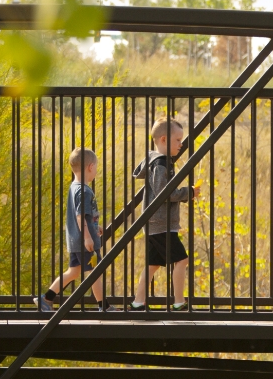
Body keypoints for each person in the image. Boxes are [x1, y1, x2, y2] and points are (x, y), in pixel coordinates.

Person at [130, 117, 201, 311]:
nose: (181, 144)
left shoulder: (156, 161)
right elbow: (165, 193)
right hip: (161, 223)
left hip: (154, 222)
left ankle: (138, 302)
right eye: (178, 140)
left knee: (153, 263)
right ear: (163, 139)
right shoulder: (161, 164)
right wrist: (189, 192)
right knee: (182, 260)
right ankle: (179, 302)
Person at [39, 146, 116, 312]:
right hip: (84, 242)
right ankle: (104, 306)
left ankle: (46, 299)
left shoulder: (74, 187)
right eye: (96, 166)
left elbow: (83, 216)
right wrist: (88, 237)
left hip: (76, 240)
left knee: (73, 272)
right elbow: (81, 216)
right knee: (96, 271)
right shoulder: (84, 191)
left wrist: (96, 226)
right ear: (90, 167)